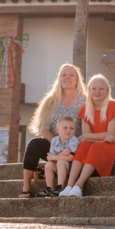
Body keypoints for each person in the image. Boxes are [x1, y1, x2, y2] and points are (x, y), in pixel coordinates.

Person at [20, 63, 87, 198]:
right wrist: (58, 144)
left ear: (77, 79)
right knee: (34, 144)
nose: (67, 78)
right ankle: (26, 187)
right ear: (59, 79)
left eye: (71, 75)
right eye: (64, 75)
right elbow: (44, 128)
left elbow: (87, 129)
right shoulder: (50, 101)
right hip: (54, 146)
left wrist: (68, 147)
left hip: (76, 148)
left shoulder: (85, 101)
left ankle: (50, 173)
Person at [61, 74, 115, 197]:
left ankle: (79, 186)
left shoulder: (113, 105)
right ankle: (69, 186)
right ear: (89, 90)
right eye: (94, 88)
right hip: (97, 143)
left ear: (107, 90)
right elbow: (86, 136)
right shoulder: (85, 109)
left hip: (112, 145)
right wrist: (95, 138)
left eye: (101, 89)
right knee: (83, 146)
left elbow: (111, 134)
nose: (97, 92)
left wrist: (91, 137)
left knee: (93, 147)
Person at [39, 116, 80, 198]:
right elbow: (50, 158)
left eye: (71, 128)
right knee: (48, 165)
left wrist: (55, 157)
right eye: (65, 128)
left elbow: (70, 158)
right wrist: (61, 154)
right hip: (58, 168)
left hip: (70, 169)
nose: (68, 130)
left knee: (61, 162)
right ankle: (50, 188)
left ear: (74, 130)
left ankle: (60, 187)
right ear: (58, 130)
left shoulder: (74, 140)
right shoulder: (54, 140)